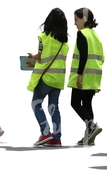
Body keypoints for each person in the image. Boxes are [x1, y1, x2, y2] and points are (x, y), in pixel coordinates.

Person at [25, 8, 69, 147]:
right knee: (54, 107)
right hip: (59, 79)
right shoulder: (64, 42)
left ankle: (45, 133)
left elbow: (40, 56)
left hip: (46, 77)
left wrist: (32, 57)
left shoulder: (44, 37)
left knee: (36, 104)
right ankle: (56, 138)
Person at [68, 8, 104, 146]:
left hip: (84, 75)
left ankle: (92, 126)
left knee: (75, 103)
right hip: (95, 76)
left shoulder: (82, 34)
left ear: (83, 19)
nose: (74, 23)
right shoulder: (96, 36)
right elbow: (103, 57)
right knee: (87, 104)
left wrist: (79, 76)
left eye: (76, 20)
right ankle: (89, 136)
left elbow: (83, 56)